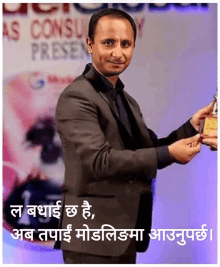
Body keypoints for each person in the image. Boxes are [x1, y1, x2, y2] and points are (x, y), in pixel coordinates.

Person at [55, 8, 213, 264]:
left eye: (125, 44)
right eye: (109, 42)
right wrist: (169, 153)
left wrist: (192, 126)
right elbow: (100, 161)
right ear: (89, 44)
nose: (118, 53)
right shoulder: (77, 96)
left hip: (125, 232)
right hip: (92, 236)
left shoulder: (127, 99)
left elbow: (148, 149)